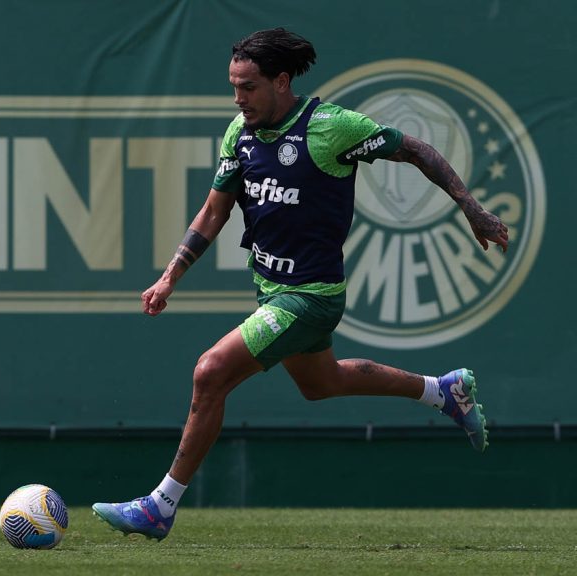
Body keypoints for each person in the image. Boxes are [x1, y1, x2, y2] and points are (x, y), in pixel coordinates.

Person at [92, 28, 509, 541]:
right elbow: (214, 211)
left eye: (248, 87)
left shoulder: (331, 127)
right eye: (234, 86)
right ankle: (443, 391)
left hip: (311, 297)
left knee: (210, 373)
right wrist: (170, 277)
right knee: (322, 383)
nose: (238, 98)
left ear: (282, 81)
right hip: (271, 289)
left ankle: (160, 507)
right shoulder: (238, 135)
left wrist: (473, 210)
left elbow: (417, 149)